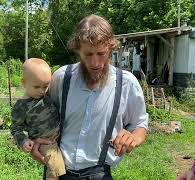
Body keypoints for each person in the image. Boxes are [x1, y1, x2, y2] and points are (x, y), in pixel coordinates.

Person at [31, 14, 149, 179]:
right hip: (58, 172)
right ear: (78, 49)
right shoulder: (62, 78)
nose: (95, 63)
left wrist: (134, 137)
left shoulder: (126, 84)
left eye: (101, 54)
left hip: (99, 174)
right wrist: (35, 140)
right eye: (88, 54)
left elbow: (140, 124)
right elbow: (40, 116)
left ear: (110, 47)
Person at [10, 58, 66, 180]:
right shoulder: (21, 106)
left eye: (46, 86)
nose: (42, 91)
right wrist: (24, 141)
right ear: (24, 83)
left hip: (58, 138)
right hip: (44, 142)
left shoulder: (44, 95)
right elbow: (15, 128)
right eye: (37, 87)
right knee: (55, 166)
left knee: (60, 165)